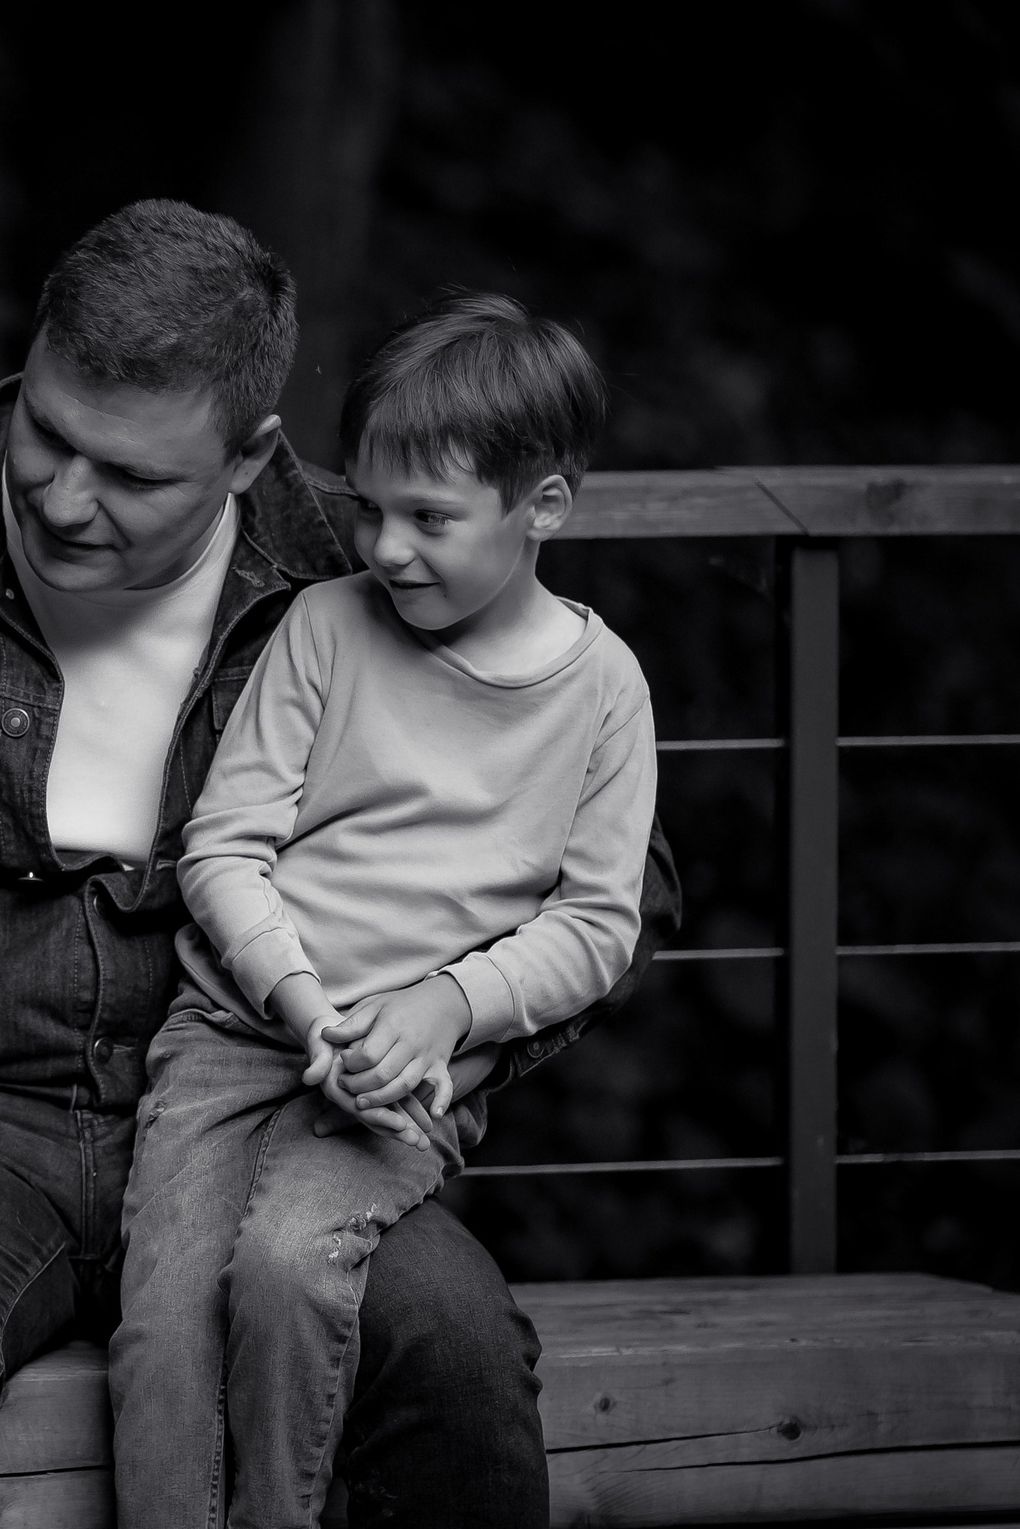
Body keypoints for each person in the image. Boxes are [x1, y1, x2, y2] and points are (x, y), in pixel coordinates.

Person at [0, 202, 680, 1529]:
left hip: (279, 1111)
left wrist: (445, 1035)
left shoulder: (353, 579)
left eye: (131, 477)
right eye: (47, 436)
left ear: (252, 456)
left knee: (459, 1354)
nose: (66, 499)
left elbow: (620, 895)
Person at [121, 296, 659, 1526]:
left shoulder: (604, 688)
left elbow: (596, 925)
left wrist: (442, 1007)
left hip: (412, 1069)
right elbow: (222, 848)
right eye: (367, 507)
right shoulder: (323, 627)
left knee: (290, 1267)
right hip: (237, 1033)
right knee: (161, 1320)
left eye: (431, 518)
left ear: (546, 511)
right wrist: (308, 1007)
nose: (387, 547)